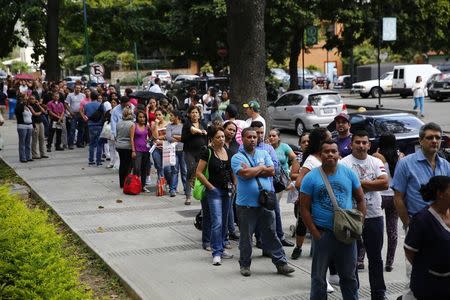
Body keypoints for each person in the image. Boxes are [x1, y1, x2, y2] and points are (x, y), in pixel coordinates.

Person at [300, 140, 366, 300]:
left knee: (349, 277)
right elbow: (304, 208)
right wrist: (315, 234)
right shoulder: (310, 177)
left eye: (333, 151)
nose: (330, 154)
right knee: (318, 278)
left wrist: (359, 224)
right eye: (326, 151)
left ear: (339, 154)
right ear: (320, 155)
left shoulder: (349, 173)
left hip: (347, 235)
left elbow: (361, 199)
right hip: (323, 234)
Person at [231, 127, 295, 277]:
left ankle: (281, 263)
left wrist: (255, 169)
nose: (253, 139)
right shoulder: (237, 157)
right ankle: (245, 264)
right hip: (246, 205)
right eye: (249, 137)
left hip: (265, 203)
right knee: (246, 237)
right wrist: (261, 168)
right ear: (243, 138)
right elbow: (245, 174)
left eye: (255, 137)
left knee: (271, 234)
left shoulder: (264, 153)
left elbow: (272, 171)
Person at [341, 130, 389, 300]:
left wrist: (358, 184)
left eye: (364, 142)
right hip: (351, 216)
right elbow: (345, 187)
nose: (361, 146)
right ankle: (353, 293)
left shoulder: (376, 161)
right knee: (351, 259)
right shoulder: (344, 164)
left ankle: (379, 294)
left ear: (369, 145)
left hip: (374, 215)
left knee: (376, 258)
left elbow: (384, 183)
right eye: (358, 142)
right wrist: (370, 184)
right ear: (351, 144)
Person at [403, 176, 450, 300]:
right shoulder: (422, 219)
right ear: (440, 194)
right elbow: (410, 251)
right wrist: (426, 267)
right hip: (429, 284)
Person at [249, 121, 294, 248]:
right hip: (253, 189)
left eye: (262, 132)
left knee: (275, 213)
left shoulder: (268, 148)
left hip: (270, 188)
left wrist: (257, 170)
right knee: (257, 215)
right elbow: (246, 169)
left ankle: (280, 237)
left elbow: (274, 167)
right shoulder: (245, 148)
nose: (260, 135)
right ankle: (259, 239)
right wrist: (262, 169)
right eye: (257, 133)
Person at [196, 126, 235, 265]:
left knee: (224, 222)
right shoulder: (208, 152)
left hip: (228, 191)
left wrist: (235, 185)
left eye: (223, 137)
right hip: (214, 192)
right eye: (218, 137)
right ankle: (216, 253)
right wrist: (210, 187)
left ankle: (222, 247)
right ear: (211, 139)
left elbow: (232, 171)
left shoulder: (229, 152)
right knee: (217, 221)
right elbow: (199, 172)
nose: (221, 139)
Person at [372, 133, 403, 272]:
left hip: (378, 196)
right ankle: (389, 262)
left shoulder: (376, 156)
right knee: (392, 231)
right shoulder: (400, 157)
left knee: (372, 229)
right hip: (394, 197)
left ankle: (361, 258)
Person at [181, 106, 208, 205]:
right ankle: (188, 196)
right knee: (191, 171)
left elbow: (207, 137)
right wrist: (193, 133)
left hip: (201, 152)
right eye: (192, 112)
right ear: (189, 114)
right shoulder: (187, 125)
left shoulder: (203, 124)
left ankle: (201, 193)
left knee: (201, 172)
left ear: (199, 114)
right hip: (189, 152)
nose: (195, 114)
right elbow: (183, 138)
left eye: (196, 112)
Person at [288, 132, 309, 259]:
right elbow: (293, 175)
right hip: (302, 194)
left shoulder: (318, 156)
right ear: (300, 144)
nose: (306, 144)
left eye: (308, 141)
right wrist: (305, 174)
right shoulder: (299, 158)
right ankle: (298, 247)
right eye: (303, 142)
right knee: (301, 222)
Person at [223, 121, 240, 242]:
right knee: (226, 206)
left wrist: (236, 182)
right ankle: (228, 231)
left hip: (233, 179)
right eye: (229, 129)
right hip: (220, 179)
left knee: (230, 205)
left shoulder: (237, 145)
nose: (231, 132)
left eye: (234, 130)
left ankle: (231, 230)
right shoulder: (218, 142)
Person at [165, 110, 187, 197]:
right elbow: (168, 138)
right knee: (174, 170)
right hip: (173, 151)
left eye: (172, 115)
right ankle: (173, 189)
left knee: (184, 170)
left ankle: (186, 189)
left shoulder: (184, 126)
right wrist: (180, 138)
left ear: (177, 117)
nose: (170, 117)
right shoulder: (169, 126)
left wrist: (175, 137)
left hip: (183, 150)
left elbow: (186, 137)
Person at [130, 111, 151, 193]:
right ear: (137, 118)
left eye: (144, 117)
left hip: (146, 149)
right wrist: (133, 150)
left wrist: (149, 139)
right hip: (137, 150)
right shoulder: (134, 126)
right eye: (140, 117)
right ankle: (135, 184)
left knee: (144, 168)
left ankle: (143, 186)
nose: (142, 119)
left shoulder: (146, 126)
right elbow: (131, 139)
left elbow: (152, 135)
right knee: (137, 168)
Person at [115, 108, 135, 188]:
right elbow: (132, 138)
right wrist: (133, 150)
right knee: (128, 165)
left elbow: (117, 135)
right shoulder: (132, 124)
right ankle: (127, 183)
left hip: (119, 146)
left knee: (122, 164)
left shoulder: (118, 123)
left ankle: (121, 183)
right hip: (128, 147)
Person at [84, 93, 105, 166]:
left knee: (91, 144)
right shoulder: (101, 105)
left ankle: (91, 160)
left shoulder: (87, 105)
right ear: (97, 97)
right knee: (99, 144)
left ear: (90, 97)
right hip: (99, 125)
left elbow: (85, 114)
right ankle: (98, 161)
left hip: (91, 125)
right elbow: (104, 114)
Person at [64, 84, 85, 149]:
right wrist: (70, 112)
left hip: (81, 113)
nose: (78, 89)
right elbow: (66, 104)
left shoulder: (83, 95)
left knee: (81, 129)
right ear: (74, 88)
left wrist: (84, 112)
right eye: (77, 88)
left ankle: (79, 143)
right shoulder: (70, 95)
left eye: (79, 88)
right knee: (72, 129)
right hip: (74, 114)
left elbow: (84, 104)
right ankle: (71, 144)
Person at [151, 108, 169, 179]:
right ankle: (160, 182)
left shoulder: (168, 124)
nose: (157, 116)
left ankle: (166, 181)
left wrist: (160, 138)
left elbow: (168, 136)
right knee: (158, 166)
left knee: (167, 168)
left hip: (166, 147)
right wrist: (156, 124)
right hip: (156, 148)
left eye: (159, 115)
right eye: (156, 115)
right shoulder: (153, 124)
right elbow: (155, 136)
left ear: (163, 116)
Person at [15, 95, 33, 162]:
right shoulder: (19, 106)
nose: (26, 100)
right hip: (22, 126)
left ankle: (28, 156)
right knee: (22, 142)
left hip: (29, 126)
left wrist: (32, 125)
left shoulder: (27, 107)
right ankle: (23, 157)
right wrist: (21, 103)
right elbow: (19, 111)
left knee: (28, 142)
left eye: (27, 99)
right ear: (21, 99)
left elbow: (31, 117)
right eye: (25, 99)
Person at [29, 95, 48, 159]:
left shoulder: (37, 105)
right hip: (35, 124)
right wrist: (40, 112)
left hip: (40, 123)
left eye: (33, 99)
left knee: (42, 138)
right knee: (35, 139)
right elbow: (34, 114)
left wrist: (39, 105)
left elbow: (44, 112)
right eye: (31, 99)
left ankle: (43, 153)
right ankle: (34, 154)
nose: (32, 100)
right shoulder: (29, 106)